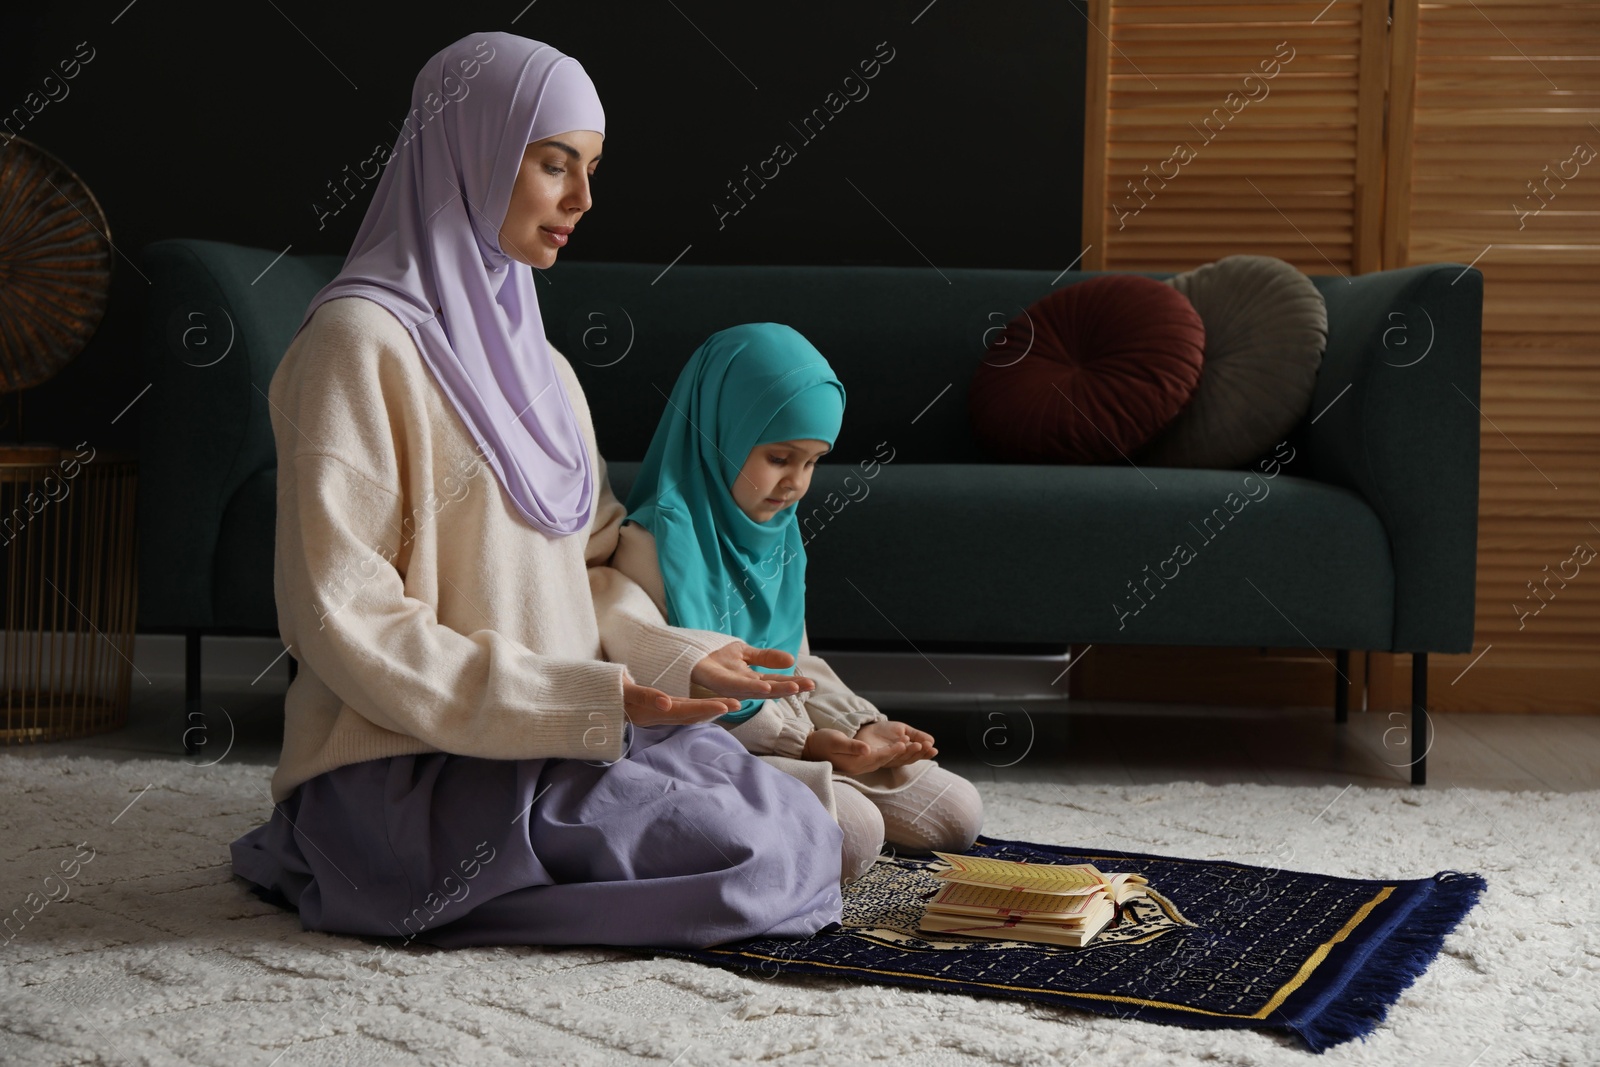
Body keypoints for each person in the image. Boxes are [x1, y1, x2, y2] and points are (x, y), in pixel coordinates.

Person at [228, 32, 845, 951]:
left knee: (816, 830)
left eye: (592, 169)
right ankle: (381, 872)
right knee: (755, 855)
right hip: (418, 763)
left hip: (566, 735)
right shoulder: (355, 346)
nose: (583, 201)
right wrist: (570, 701)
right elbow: (342, 617)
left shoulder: (547, 370)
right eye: (557, 165)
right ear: (467, 150)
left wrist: (678, 657)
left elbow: (594, 563)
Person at [602, 322, 983, 885]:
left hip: (796, 739)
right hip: (704, 751)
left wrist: (860, 728)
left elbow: (796, 664)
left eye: (812, 462)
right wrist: (799, 742)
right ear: (718, 434)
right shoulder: (649, 546)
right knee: (853, 833)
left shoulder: (778, 535)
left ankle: (821, 788)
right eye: (779, 457)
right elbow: (673, 695)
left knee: (956, 812)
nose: (796, 483)